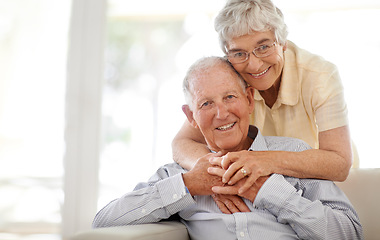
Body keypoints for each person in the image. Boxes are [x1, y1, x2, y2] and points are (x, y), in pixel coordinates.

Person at [93, 57, 362, 240]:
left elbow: (351, 232)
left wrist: (271, 192)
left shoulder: (295, 155)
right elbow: (103, 222)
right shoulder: (178, 175)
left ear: (248, 100)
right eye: (206, 104)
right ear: (191, 117)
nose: (221, 113)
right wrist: (188, 185)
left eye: (230, 97)